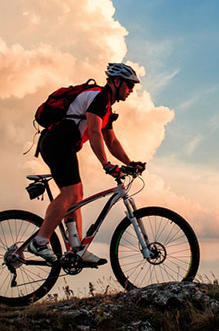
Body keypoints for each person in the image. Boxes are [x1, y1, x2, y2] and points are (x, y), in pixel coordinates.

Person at [28, 63, 145, 265]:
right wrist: (106, 164)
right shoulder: (99, 97)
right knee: (71, 194)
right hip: (57, 143)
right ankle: (39, 242)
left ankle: (76, 250)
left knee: (76, 195)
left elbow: (112, 141)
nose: (131, 91)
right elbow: (93, 132)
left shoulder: (107, 106)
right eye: (129, 85)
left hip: (63, 145)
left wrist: (130, 163)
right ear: (116, 82)